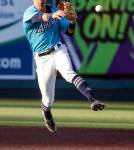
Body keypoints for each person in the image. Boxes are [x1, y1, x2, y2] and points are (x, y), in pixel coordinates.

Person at [23, 0, 105, 133]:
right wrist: (52, 16)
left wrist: (72, 22)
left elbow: (70, 32)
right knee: (48, 100)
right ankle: (46, 111)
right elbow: (40, 17)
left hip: (58, 50)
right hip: (42, 59)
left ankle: (93, 99)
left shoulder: (54, 10)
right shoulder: (29, 13)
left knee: (69, 73)